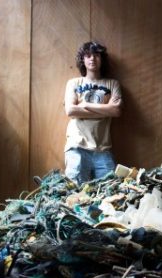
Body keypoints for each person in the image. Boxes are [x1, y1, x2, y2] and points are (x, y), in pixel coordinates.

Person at [64, 41, 122, 185]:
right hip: (77, 146)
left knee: (108, 192)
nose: (92, 59)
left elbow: (116, 111)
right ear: (83, 60)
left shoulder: (112, 84)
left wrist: (85, 105)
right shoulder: (74, 83)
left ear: (102, 59)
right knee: (74, 194)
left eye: (96, 55)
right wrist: (105, 109)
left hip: (103, 149)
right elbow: (71, 111)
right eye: (88, 55)